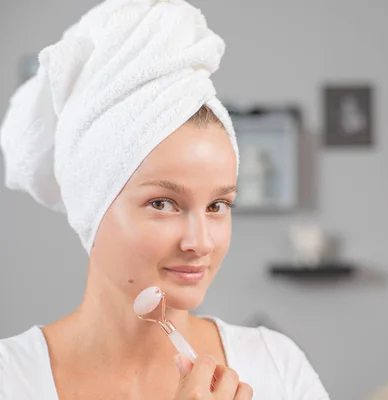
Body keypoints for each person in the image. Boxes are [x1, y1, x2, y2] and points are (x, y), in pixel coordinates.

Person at [0, 1, 330, 399]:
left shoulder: (276, 366)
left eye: (217, 206)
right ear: (93, 206)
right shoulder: (12, 379)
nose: (201, 242)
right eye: (163, 203)